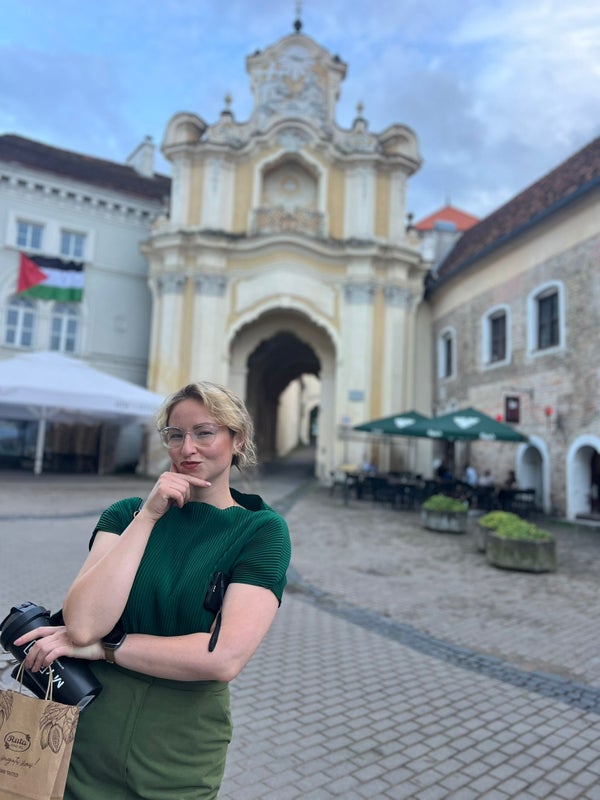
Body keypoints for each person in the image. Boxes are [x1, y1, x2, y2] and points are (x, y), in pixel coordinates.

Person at [14, 381, 292, 800]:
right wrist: (147, 517)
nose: (187, 448)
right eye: (175, 435)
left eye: (204, 432)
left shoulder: (260, 531)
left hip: (179, 751)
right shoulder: (125, 514)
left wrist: (106, 648)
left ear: (238, 439)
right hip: (84, 738)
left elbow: (223, 657)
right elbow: (83, 625)